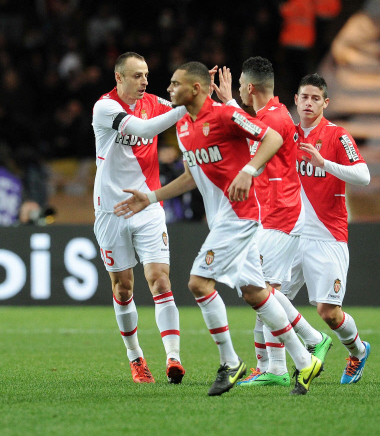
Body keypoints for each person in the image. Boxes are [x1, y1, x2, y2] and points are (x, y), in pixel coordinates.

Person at [115, 61, 323, 396]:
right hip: (223, 219)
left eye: (175, 84)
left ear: (196, 88)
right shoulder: (184, 127)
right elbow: (191, 176)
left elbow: (271, 137)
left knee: (198, 283)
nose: (169, 89)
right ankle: (305, 359)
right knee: (255, 291)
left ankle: (230, 362)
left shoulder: (226, 116)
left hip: (240, 215)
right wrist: (151, 197)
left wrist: (249, 171)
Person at [211, 57, 332, 388]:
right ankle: (278, 364)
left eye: (240, 86)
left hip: (282, 215)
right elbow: (247, 130)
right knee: (262, 292)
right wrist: (228, 103)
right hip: (274, 214)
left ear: (250, 87)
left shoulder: (274, 120)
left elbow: (256, 152)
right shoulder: (271, 114)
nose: (239, 90)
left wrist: (243, 170)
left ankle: (306, 344)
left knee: (259, 290)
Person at [92, 52, 187, 384]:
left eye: (146, 74)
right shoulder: (105, 107)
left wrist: (208, 100)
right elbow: (145, 128)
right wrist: (187, 105)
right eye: (137, 75)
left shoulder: (155, 103)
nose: (144, 81)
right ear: (119, 78)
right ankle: (136, 358)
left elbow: (192, 110)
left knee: (160, 280)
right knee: (123, 288)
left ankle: (173, 358)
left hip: (147, 206)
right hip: (112, 210)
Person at [282, 73, 371, 384]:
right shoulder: (287, 135)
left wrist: (325, 164)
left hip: (327, 235)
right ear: (296, 100)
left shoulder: (337, 136)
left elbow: (364, 176)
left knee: (329, 313)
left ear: (325, 103)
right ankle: (274, 368)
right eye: (304, 97)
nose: (309, 103)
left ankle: (358, 351)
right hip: (291, 235)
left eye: (315, 98)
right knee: (269, 299)